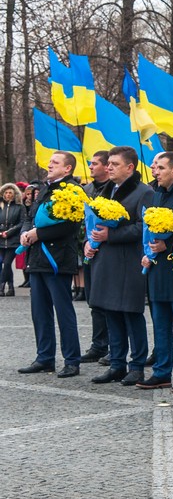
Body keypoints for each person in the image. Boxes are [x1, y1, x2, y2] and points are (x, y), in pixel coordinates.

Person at [87, 146, 154, 386]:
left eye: (114, 164)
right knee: (110, 312)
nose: (108, 167)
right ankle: (116, 364)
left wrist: (110, 236)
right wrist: (90, 241)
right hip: (105, 261)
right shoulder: (105, 191)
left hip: (128, 261)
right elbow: (95, 223)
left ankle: (136, 366)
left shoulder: (143, 192)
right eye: (108, 164)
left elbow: (142, 227)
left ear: (130, 167)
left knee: (130, 314)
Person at [18, 152, 83, 378]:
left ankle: (72, 360)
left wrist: (39, 233)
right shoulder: (45, 188)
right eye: (50, 162)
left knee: (63, 311)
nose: (49, 165)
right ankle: (44, 358)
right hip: (37, 258)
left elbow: (71, 227)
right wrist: (26, 232)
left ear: (68, 169)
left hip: (58, 259)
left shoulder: (73, 191)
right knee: (39, 312)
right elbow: (31, 215)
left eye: (55, 162)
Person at [137, 152, 173, 392]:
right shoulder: (155, 195)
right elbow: (148, 229)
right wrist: (148, 252)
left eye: (160, 167)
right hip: (156, 270)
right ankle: (161, 371)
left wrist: (169, 241)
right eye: (154, 168)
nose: (155, 171)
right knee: (160, 325)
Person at [81, 150, 112, 363]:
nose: (91, 167)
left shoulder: (114, 190)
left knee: (110, 303)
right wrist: (84, 243)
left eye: (94, 163)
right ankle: (98, 344)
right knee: (94, 301)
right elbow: (81, 223)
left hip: (110, 252)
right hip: (90, 251)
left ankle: (115, 347)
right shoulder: (87, 190)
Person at [0, 183, 25, 296]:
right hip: (1, 240)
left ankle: (1, 286)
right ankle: (10, 287)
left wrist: (9, 232)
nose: (8, 195)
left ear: (14, 194)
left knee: (7, 262)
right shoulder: (1, 206)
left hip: (12, 240)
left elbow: (21, 222)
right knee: (5, 264)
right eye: (6, 193)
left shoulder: (20, 207)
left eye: (10, 192)